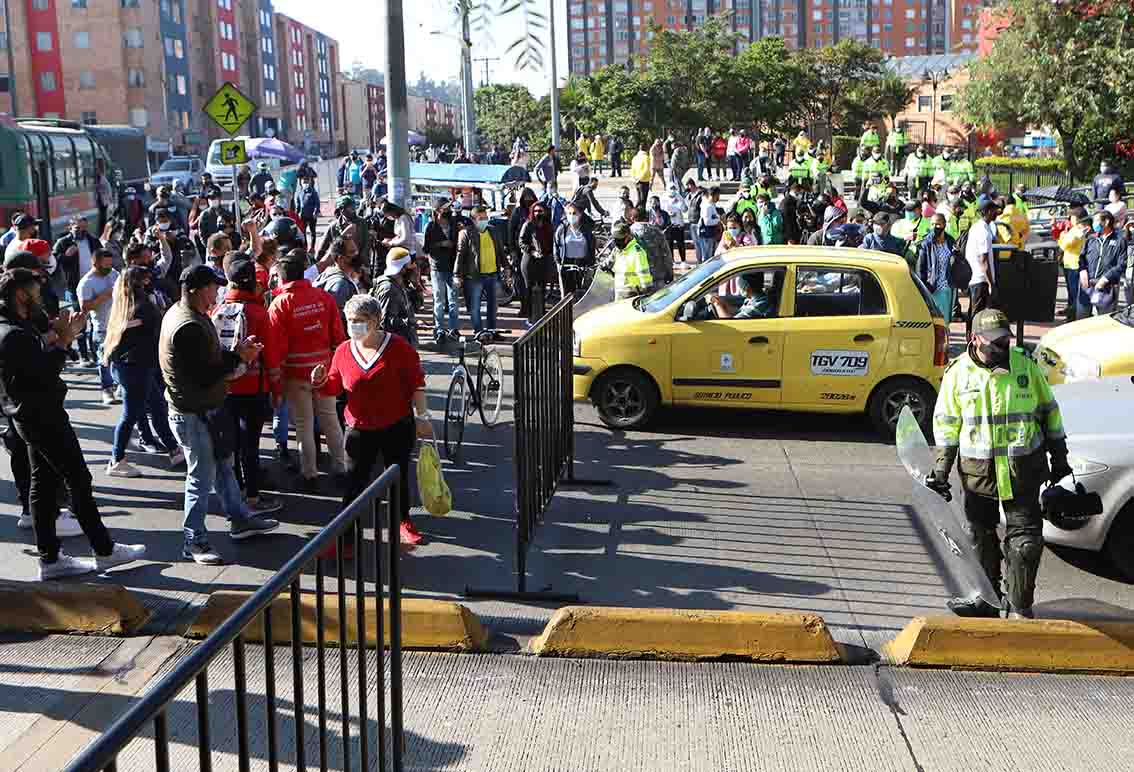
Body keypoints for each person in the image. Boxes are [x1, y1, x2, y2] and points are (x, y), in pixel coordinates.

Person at [0, 268, 146, 579]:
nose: (41, 296)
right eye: (35, 291)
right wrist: (64, 342)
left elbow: (35, 357)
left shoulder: (15, 327)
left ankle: (51, 559)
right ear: (21, 295)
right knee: (77, 480)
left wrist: (56, 334)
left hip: (31, 415)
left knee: (43, 484)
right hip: (41, 416)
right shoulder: (12, 335)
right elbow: (42, 373)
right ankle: (103, 551)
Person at [928, 308, 1069, 619]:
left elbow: (1050, 412)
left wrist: (1060, 458)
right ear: (975, 339)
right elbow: (946, 426)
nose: (1003, 345)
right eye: (995, 341)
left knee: (1026, 543)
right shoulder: (958, 374)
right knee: (980, 536)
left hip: (1023, 471)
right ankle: (986, 599)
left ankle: (1020, 607)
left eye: (1006, 338)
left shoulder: (1026, 366)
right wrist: (941, 470)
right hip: (979, 475)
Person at [160, 265, 281, 565]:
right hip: (195, 413)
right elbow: (206, 374)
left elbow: (207, 365)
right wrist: (240, 357)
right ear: (197, 290)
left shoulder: (190, 315)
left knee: (224, 466)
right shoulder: (188, 325)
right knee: (201, 478)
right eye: (213, 287)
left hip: (204, 410)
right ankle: (194, 540)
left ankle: (240, 519)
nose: (218, 292)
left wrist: (237, 353)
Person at [310, 294, 428, 548]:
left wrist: (423, 415)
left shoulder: (398, 347)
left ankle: (402, 519)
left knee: (398, 476)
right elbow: (334, 386)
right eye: (350, 320)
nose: (354, 325)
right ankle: (346, 537)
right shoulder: (343, 350)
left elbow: (416, 381)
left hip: (396, 424)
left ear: (376, 320)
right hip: (359, 428)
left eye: (361, 320)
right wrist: (319, 381)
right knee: (354, 484)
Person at [212, 253, 284, 515]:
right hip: (254, 389)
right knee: (250, 445)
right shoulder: (259, 313)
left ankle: (236, 492)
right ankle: (253, 497)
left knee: (231, 445)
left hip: (225, 388)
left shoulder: (218, 309)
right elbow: (272, 357)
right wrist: (277, 392)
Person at [268, 252, 347, 487]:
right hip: (324, 369)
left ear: (281, 279)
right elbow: (339, 337)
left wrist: (276, 381)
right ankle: (341, 468)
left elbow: (275, 349)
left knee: (303, 424)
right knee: (330, 420)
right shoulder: (323, 297)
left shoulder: (280, 304)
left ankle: (309, 473)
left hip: (295, 373)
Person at [101, 266, 185, 477]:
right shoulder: (142, 307)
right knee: (131, 415)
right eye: (147, 279)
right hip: (136, 368)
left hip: (131, 367)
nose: (150, 282)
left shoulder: (123, 306)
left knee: (156, 407)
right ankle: (116, 459)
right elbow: (157, 330)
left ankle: (174, 450)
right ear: (142, 282)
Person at [76, 248, 121, 405]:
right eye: (105, 264)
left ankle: (120, 386)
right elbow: (85, 307)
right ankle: (107, 390)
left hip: (119, 324)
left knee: (121, 358)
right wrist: (105, 295)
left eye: (110, 264)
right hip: (102, 327)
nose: (109, 268)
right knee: (105, 360)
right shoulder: (86, 283)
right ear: (95, 263)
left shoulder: (114, 274)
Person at [456, 205, 505, 336]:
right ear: (473, 219)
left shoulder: (493, 231)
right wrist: (457, 275)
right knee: (474, 306)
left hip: (492, 274)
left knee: (493, 306)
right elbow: (460, 255)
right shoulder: (466, 233)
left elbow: (500, 251)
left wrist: (507, 267)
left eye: (485, 217)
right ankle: (479, 331)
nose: (484, 220)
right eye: (480, 218)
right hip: (474, 276)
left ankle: (491, 330)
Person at [422, 202, 461, 345]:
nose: (448, 211)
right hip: (437, 267)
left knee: (453, 301)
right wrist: (440, 244)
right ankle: (439, 329)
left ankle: (453, 328)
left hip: (452, 267)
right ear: (437, 210)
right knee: (439, 301)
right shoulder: (430, 226)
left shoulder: (454, 224)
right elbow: (425, 248)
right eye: (445, 208)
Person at [1079, 210, 1127, 317]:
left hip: (1107, 287)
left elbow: (1122, 265)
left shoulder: (1120, 240)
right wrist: (1082, 270)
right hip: (1087, 285)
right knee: (1082, 319)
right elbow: (1081, 258)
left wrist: (1105, 279)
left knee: (1104, 322)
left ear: (1106, 222)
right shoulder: (1091, 238)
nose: (1094, 224)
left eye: (1096, 221)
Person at [372, 248, 419, 345]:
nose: (413, 268)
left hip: (404, 342)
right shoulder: (388, 289)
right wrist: (411, 322)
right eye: (409, 266)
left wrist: (416, 285)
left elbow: (416, 306)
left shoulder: (401, 283)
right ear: (402, 268)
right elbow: (386, 323)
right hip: (394, 345)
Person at [916, 213, 956, 326]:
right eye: (932, 224)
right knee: (932, 321)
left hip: (947, 288)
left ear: (944, 225)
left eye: (938, 224)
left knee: (944, 321)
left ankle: (945, 343)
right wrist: (924, 288)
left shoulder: (950, 241)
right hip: (932, 288)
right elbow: (920, 268)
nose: (935, 227)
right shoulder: (926, 244)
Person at [518, 200, 555, 322]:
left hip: (544, 261)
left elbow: (551, 243)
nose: (538, 213)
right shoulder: (528, 224)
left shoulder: (548, 225)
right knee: (529, 288)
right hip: (529, 261)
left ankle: (541, 313)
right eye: (535, 211)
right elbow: (521, 242)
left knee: (542, 288)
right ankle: (530, 315)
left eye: (540, 211)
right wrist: (532, 251)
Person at [965, 196, 1000, 317]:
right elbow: (983, 260)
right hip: (980, 279)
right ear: (989, 211)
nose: (997, 213)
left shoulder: (977, 227)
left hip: (974, 277)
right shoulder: (983, 232)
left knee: (974, 313)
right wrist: (991, 284)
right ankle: (973, 336)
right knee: (978, 315)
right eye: (995, 210)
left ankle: (970, 336)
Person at [1057, 208, 1091, 321]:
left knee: (1074, 293)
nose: (1070, 219)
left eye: (1072, 217)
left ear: (1077, 218)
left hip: (1073, 265)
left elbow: (1064, 246)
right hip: (1070, 264)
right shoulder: (1076, 229)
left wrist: (1064, 237)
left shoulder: (1077, 231)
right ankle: (1071, 314)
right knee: (1072, 293)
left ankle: (1074, 316)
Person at [610, 223, 652, 301]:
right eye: (615, 239)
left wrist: (647, 293)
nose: (617, 242)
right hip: (619, 293)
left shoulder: (637, 252)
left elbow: (644, 275)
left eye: (620, 240)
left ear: (628, 236)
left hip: (632, 295)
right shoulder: (618, 250)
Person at [709, 272, 774, 319]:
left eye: (740, 285)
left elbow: (730, 323)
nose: (739, 287)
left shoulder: (760, 304)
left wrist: (717, 305)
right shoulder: (751, 299)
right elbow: (739, 311)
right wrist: (723, 303)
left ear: (747, 287)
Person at [663, 185, 688, 264]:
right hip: (669, 225)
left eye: (674, 188)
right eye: (671, 188)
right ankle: (672, 261)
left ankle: (683, 261)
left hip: (678, 224)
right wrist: (668, 214)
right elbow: (662, 210)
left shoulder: (679, 196)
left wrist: (680, 204)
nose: (672, 190)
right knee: (669, 244)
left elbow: (685, 209)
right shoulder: (664, 197)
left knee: (681, 244)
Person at [297, 175, 321, 253]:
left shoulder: (313, 192)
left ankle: (312, 247)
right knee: (303, 232)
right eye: (304, 182)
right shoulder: (300, 193)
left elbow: (317, 203)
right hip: (303, 216)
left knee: (312, 232)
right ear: (301, 183)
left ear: (310, 182)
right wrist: (298, 213)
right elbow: (298, 204)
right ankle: (305, 247)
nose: (305, 183)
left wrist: (315, 212)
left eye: (307, 182)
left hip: (311, 216)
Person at [630, 144, 652, 209]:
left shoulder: (635, 157)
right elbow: (646, 169)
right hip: (644, 180)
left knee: (639, 199)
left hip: (636, 180)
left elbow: (632, 169)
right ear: (647, 149)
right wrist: (640, 178)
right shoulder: (646, 157)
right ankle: (635, 211)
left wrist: (634, 178)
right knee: (643, 200)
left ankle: (638, 213)